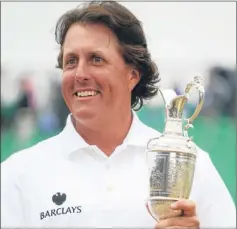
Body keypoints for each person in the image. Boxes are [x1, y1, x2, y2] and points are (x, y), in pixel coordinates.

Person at [2, 1, 235, 228]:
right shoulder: (18, 175)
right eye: (71, 61)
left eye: (96, 59)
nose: (80, 74)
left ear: (132, 75)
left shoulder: (192, 165)